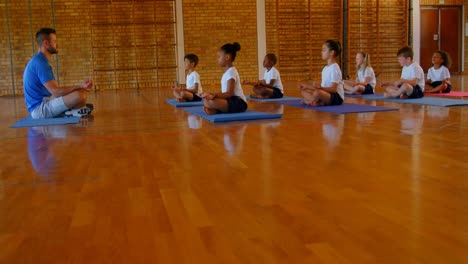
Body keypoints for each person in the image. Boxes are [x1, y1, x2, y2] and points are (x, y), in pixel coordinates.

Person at [23, 28, 93, 119]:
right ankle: (74, 112)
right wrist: (80, 86)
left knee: (79, 94)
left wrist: (79, 88)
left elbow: (55, 92)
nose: (57, 44)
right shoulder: (40, 62)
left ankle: (74, 111)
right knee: (80, 95)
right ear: (46, 43)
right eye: (54, 41)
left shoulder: (40, 60)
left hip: (46, 102)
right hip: (40, 110)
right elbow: (56, 92)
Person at [200, 42, 248, 114]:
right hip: (231, 100)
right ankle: (217, 110)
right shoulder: (227, 72)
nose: (217, 59)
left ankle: (217, 110)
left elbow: (229, 93)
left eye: (219, 57)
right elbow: (225, 94)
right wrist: (210, 94)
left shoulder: (231, 72)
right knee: (207, 100)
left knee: (208, 102)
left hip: (239, 103)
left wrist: (215, 95)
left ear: (227, 57)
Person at [298, 40, 344, 106]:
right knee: (304, 91)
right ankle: (316, 101)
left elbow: (333, 89)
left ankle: (309, 101)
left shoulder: (334, 68)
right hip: (326, 93)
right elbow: (323, 87)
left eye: (324, 50)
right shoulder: (325, 69)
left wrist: (320, 88)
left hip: (336, 97)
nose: (321, 52)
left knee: (317, 93)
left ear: (331, 52)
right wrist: (307, 87)